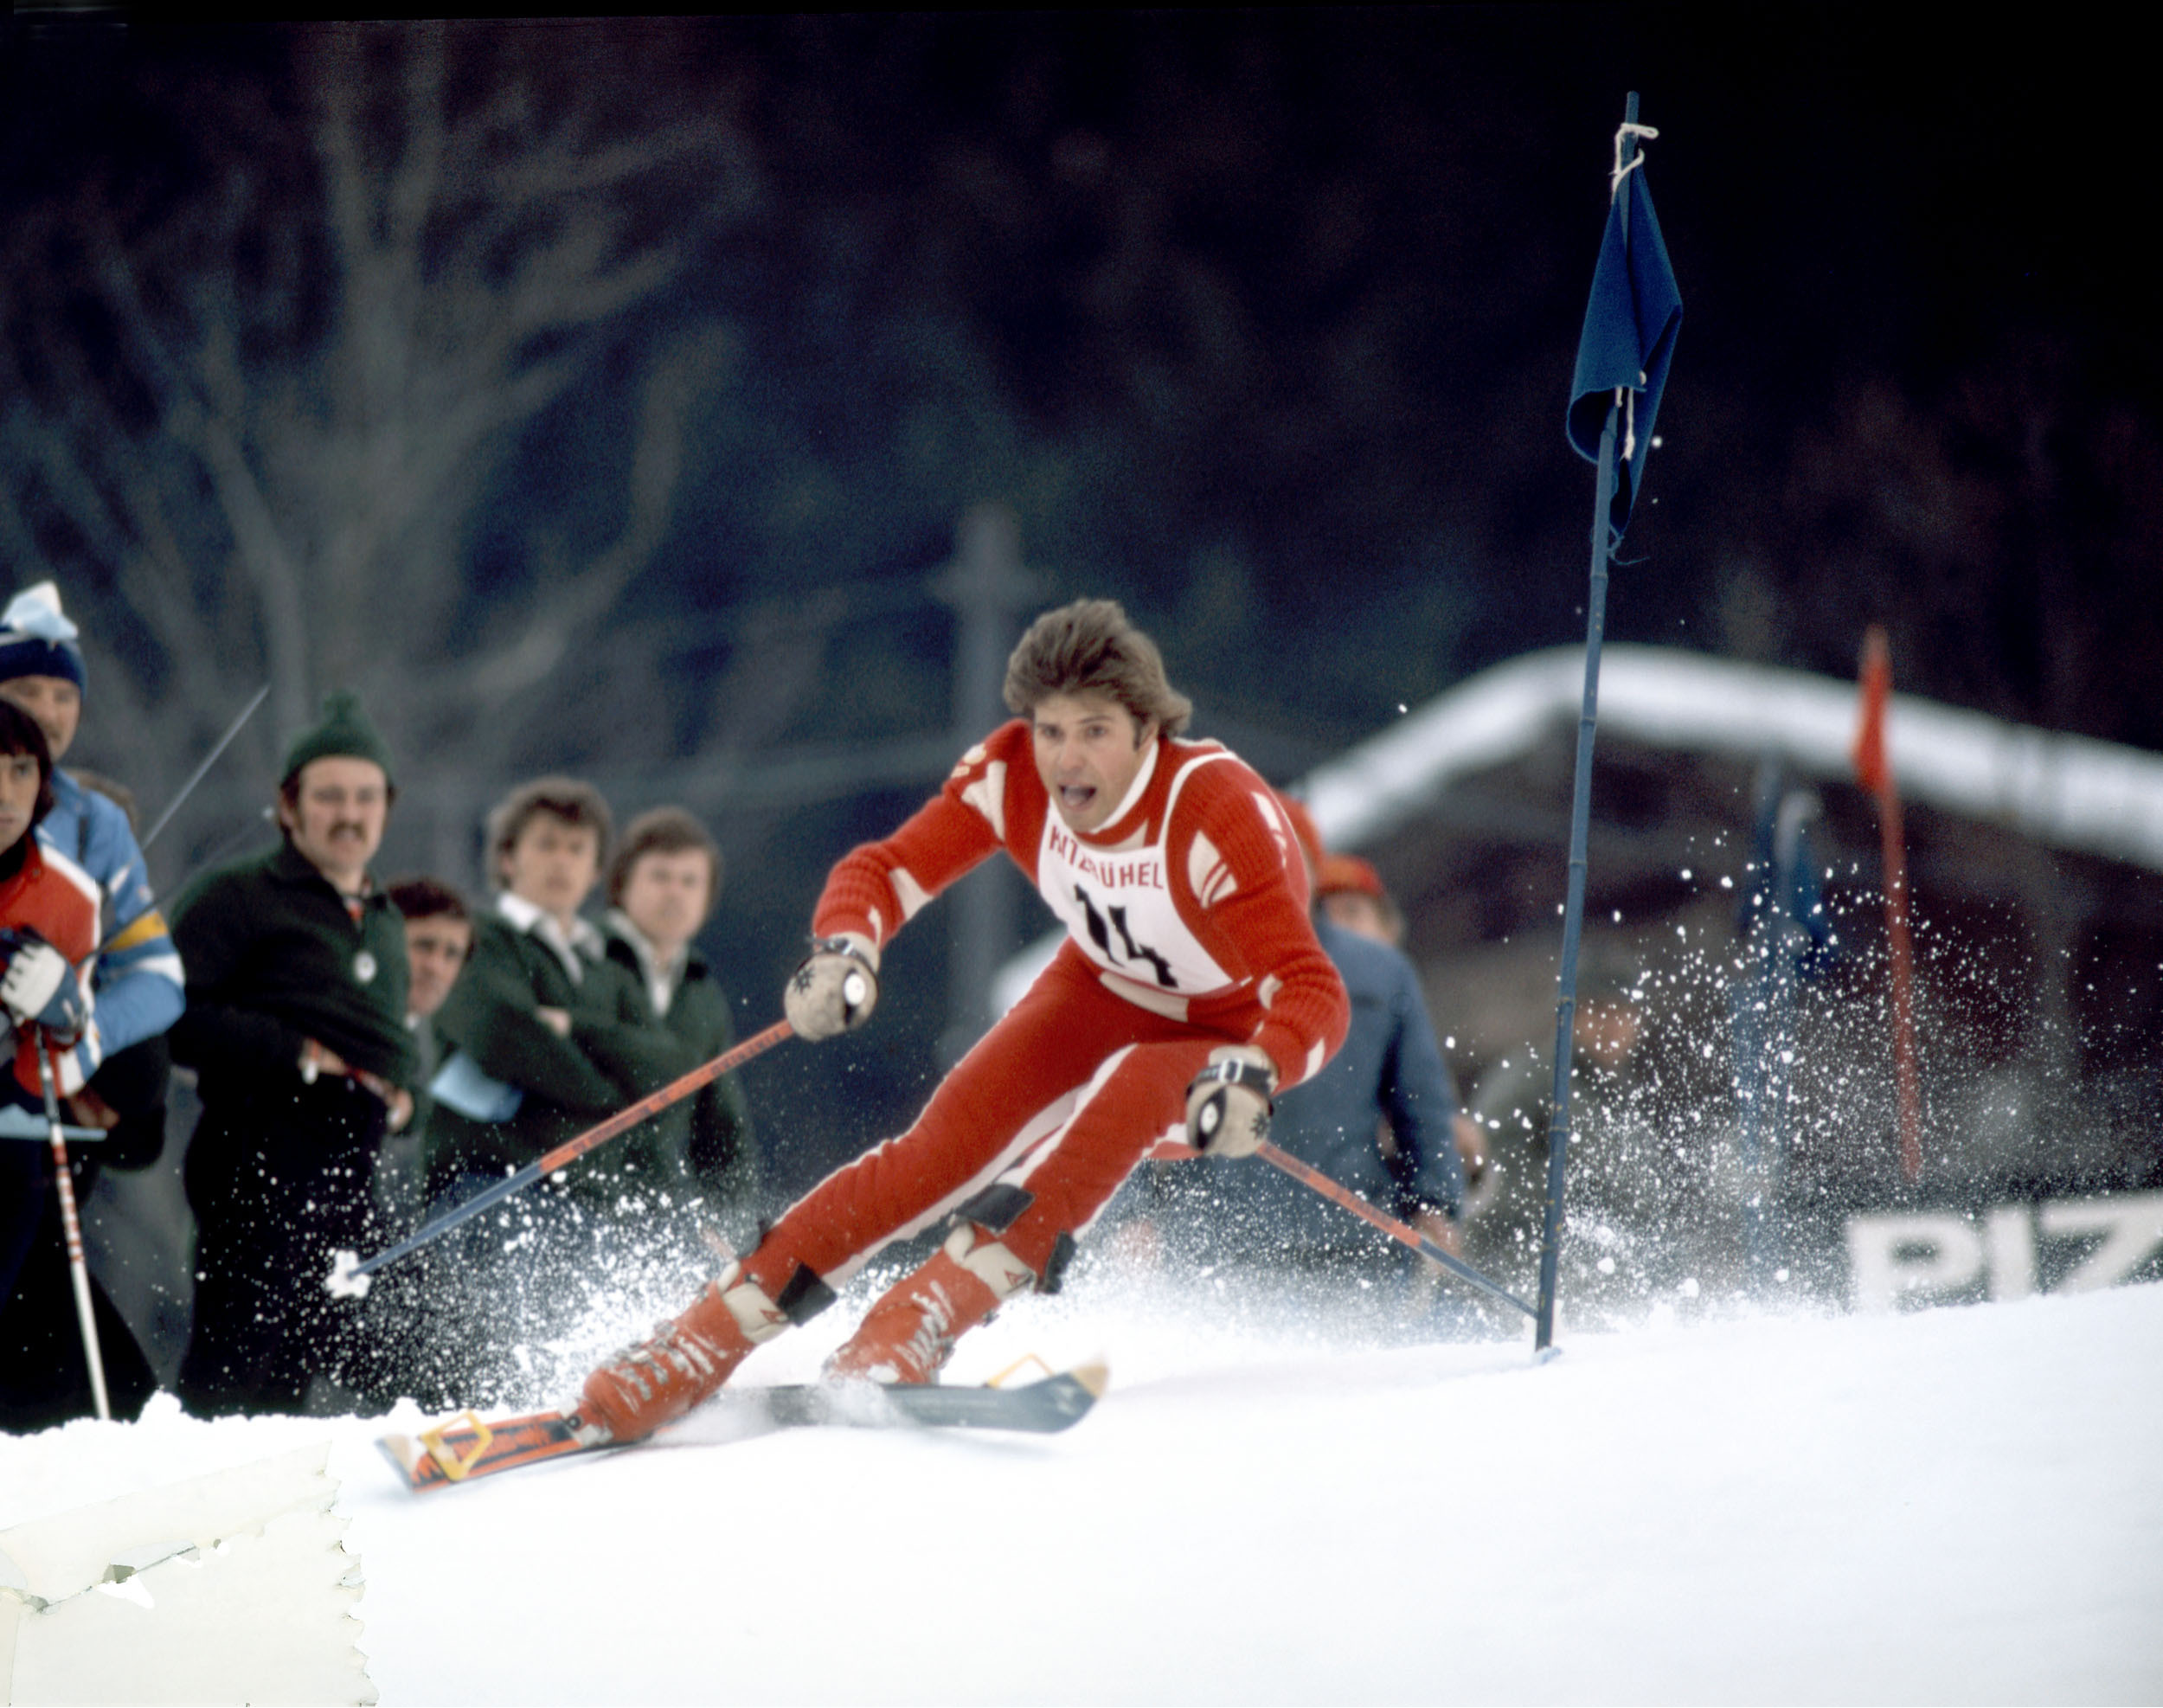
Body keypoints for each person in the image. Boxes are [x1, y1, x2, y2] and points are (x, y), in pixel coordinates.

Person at [569, 597, 1349, 1445]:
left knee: (1127, 1091)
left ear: (1145, 730)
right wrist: (845, 950)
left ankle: (929, 1312)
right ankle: (702, 1339)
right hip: (1095, 989)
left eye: (1093, 731)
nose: (1066, 760)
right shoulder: (1011, 775)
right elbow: (889, 866)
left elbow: (1311, 987)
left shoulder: (1212, 808)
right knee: (933, 1157)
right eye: (1050, 731)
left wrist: (1260, 1071)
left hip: (1217, 1035)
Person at [1113, 799, 1471, 1328]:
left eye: (1286, 854)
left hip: (1351, 1242)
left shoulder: (1381, 973)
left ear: (1313, 867)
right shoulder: (1184, 969)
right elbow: (1135, 1101)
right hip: (1219, 1253)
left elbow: (1422, 1103)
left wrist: (1435, 1198)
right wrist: (1134, 1212)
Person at [168, 691, 417, 1416]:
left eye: (366, 797)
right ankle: (189, 1496)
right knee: (238, 1354)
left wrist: (403, 1100)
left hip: (352, 1163)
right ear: (289, 805)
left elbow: (396, 1039)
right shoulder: (241, 897)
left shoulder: (384, 917)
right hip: (259, 1150)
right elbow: (171, 1011)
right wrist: (297, 1052)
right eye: (330, 796)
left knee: (364, 1341)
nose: (350, 814)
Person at [419, 779, 708, 1402]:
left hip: (589, 1200)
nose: (561, 862)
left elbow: (674, 1070)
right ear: (507, 858)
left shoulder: (605, 966)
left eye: (577, 849)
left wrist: (577, 1028)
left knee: (644, 1306)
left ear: (597, 867)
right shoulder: (479, 939)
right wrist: (611, 1095)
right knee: (513, 1358)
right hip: (490, 1189)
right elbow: (503, 1033)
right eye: (546, 845)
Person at [0, 586, 183, 1426]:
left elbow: (154, 975)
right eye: (27, 692)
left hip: (50, 1113)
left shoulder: (93, 823)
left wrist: (79, 1024)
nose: (46, 711)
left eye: (63, 696)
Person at [600, 807, 760, 1255]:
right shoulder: (585, 958)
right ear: (622, 883)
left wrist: (731, 1227)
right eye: (660, 876)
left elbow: (723, 1129)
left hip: (662, 1212)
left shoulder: (701, 991)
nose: (675, 893)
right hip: (577, 1195)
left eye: (690, 881)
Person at [0, 703, 102, 1328]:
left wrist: (63, 1013)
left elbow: (65, 1059)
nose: (5, 794)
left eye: (21, 771)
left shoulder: (68, 896)